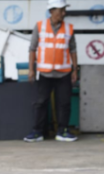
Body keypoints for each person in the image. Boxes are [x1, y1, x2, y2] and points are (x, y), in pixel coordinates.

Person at [25, 0, 79, 143]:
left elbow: (73, 50)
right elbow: (32, 49)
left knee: (64, 103)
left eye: (63, 10)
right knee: (40, 102)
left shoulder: (69, 28)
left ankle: (63, 131)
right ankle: (37, 132)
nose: (63, 13)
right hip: (44, 73)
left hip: (64, 72)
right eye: (61, 10)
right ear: (52, 11)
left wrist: (75, 69)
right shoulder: (40, 26)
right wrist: (31, 69)